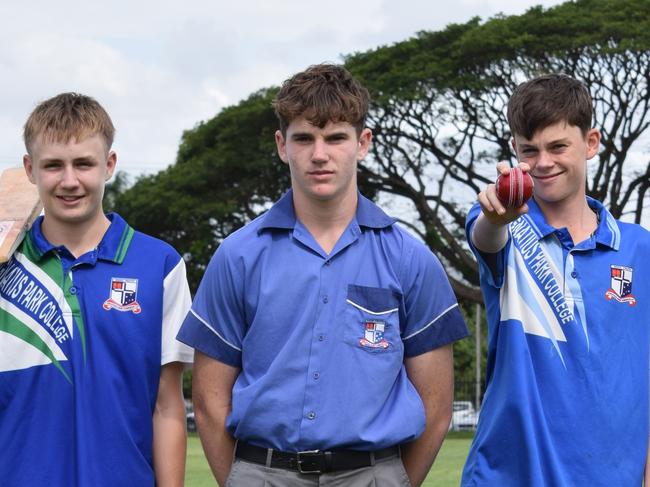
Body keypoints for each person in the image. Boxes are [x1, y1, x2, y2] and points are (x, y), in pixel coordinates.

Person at [177, 63, 469, 486]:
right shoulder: (237, 255)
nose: (319, 154)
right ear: (282, 145)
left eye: (335, 138)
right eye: (304, 138)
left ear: (362, 143)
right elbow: (207, 400)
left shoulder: (410, 258)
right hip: (263, 473)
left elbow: (438, 405)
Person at [462, 74, 650, 486]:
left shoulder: (640, 249)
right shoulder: (503, 225)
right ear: (515, 150)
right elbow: (486, 236)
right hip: (506, 477)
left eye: (558, 146)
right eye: (529, 150)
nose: (543, 162)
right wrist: (498, 217)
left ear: (592, 142)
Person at [0, 93, 192, 486]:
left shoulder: (160, 265)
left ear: (109, 165)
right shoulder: (5, 266)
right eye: (53, 165)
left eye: (83, 164)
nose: (69, 181)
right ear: (30, 169)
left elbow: (166, 406)